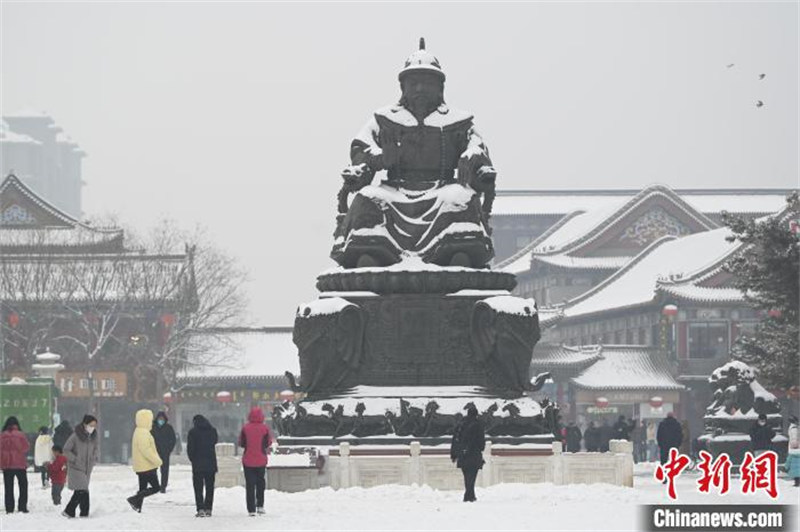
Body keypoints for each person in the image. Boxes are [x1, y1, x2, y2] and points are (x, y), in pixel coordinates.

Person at [332, 39, 497, 270]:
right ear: (403, 87)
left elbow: (478, 146)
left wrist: (472, 155)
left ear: (439, 87)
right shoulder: (384, 119)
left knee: (459, 199)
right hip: (395, 191)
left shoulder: (458, 122)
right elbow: (360, 148)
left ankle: (455, 254)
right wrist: (380, 158)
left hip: (442, 189)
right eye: (414, 83)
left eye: (426, 83)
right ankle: (372, 253)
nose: (419, 89)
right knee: (368, 197)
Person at [239, 406, 274, 516]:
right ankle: (260, 506)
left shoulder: (245, 428)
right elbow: (268, 443)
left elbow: (241, 443)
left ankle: (251, 509)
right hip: (261, 460)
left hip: (248, 460)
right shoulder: (265, 428)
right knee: (260, 484)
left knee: (250, 485)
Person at [62, 414, 99, 518]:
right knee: (81, 489)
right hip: (76, 467)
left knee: (84, 490)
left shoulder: (94, 436)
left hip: (87, 467)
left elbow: (96, 448)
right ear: (85, 424)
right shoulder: (75, 436)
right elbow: (66, 450)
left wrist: (94, 457)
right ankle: (69, 510)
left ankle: (84, 512)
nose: (93, 427)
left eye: (95, 425)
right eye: (91, 425)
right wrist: (75, 459)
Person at [127, 409, 163, 512]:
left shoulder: (138, 431)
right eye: (150, 420)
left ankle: (137, 506)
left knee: (143, 488)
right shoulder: (143, 433)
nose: (151, 422)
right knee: (156, 487)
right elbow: (146, 450)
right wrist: (157, 461)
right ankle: (134, 499)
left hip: (141, 466)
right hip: (147, 466)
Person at [450, 404, 486, 502]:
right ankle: (468, 496)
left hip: (462, 455)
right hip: (474, 454)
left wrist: (453, 454)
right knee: (472, 476)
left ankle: (470, 495)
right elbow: (481, 443)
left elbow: (455, 439)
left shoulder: (460, 424)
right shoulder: (478, 425)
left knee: (466, 476)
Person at [187, 415, 218, 517]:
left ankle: (200, 508)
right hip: (211, 463)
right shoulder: (212, 431)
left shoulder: (192, 432)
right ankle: (208, 508)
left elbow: (190, 449)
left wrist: (193, 460)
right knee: (210, 487)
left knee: (198, 488)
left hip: (198, 464)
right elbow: (215, 441)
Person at [0, 416, 30, 513]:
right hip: (20, 464)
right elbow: (26, 447)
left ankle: (9, 508)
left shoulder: (2, 435)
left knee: (8, 487)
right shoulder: (21, 435)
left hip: (7, 464)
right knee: (23, 485)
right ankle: (22, 507)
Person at [151, 411, 176, 493]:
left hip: (165, 452)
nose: (160, 420)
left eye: (162, 419)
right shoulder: (153, 428)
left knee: (165, 470)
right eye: (159, 419)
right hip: (155, 452)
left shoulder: (169, 428)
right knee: (153, 470)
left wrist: (169, 449)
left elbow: (173, 439)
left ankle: (163, 487)